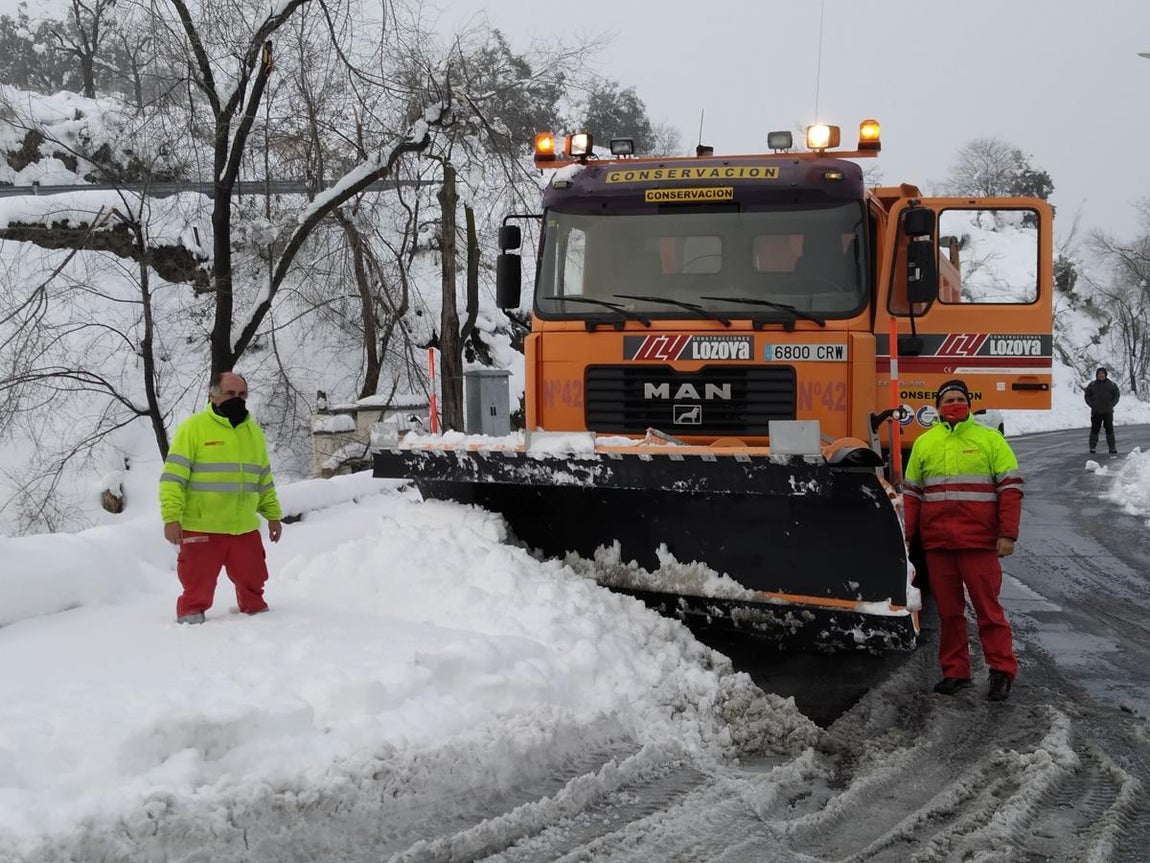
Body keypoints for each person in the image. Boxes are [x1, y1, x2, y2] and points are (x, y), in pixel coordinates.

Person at [902, 379, 1024, 702]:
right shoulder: (924, 443)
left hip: (979, 544)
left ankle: (1001, 671)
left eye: (959, 398)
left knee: (988, 611)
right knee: (949, 613)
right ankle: (955, 672)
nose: (954, 403)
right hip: (939, 546)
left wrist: (1007, 534)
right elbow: (912, 495)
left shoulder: (990, 440)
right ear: (938, 407)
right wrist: (907, 539)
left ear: (968, 403)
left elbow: (1010, 489)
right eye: (948, 399)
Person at [159, 371, 283, 624]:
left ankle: (258, 615)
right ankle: (190, 621)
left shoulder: (253, 433)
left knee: (254, 577)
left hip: (243, 527)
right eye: (230, 394)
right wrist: (171, 517)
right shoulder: (193, 429)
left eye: (241, 395)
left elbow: (263, 480)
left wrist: (273, 516)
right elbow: (173, 478)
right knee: (197, 582)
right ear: (213, 395)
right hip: (202, 525)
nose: (237, 399)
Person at [1084, 367, 1120, 455]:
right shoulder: (1092, 385)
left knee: (1109, 429)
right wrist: (1092, 405)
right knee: (1094, 430)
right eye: (1099, 373)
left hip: (1108, 412)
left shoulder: (1111, 384)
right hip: (1096, 411)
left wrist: (1111, 404)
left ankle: (1112, 448)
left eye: (1102, 373)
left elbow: (1117, 395)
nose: (1101, 375)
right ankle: (1092, 447)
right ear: (1097, 375)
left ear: (1105, 374)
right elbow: (1087, 396)